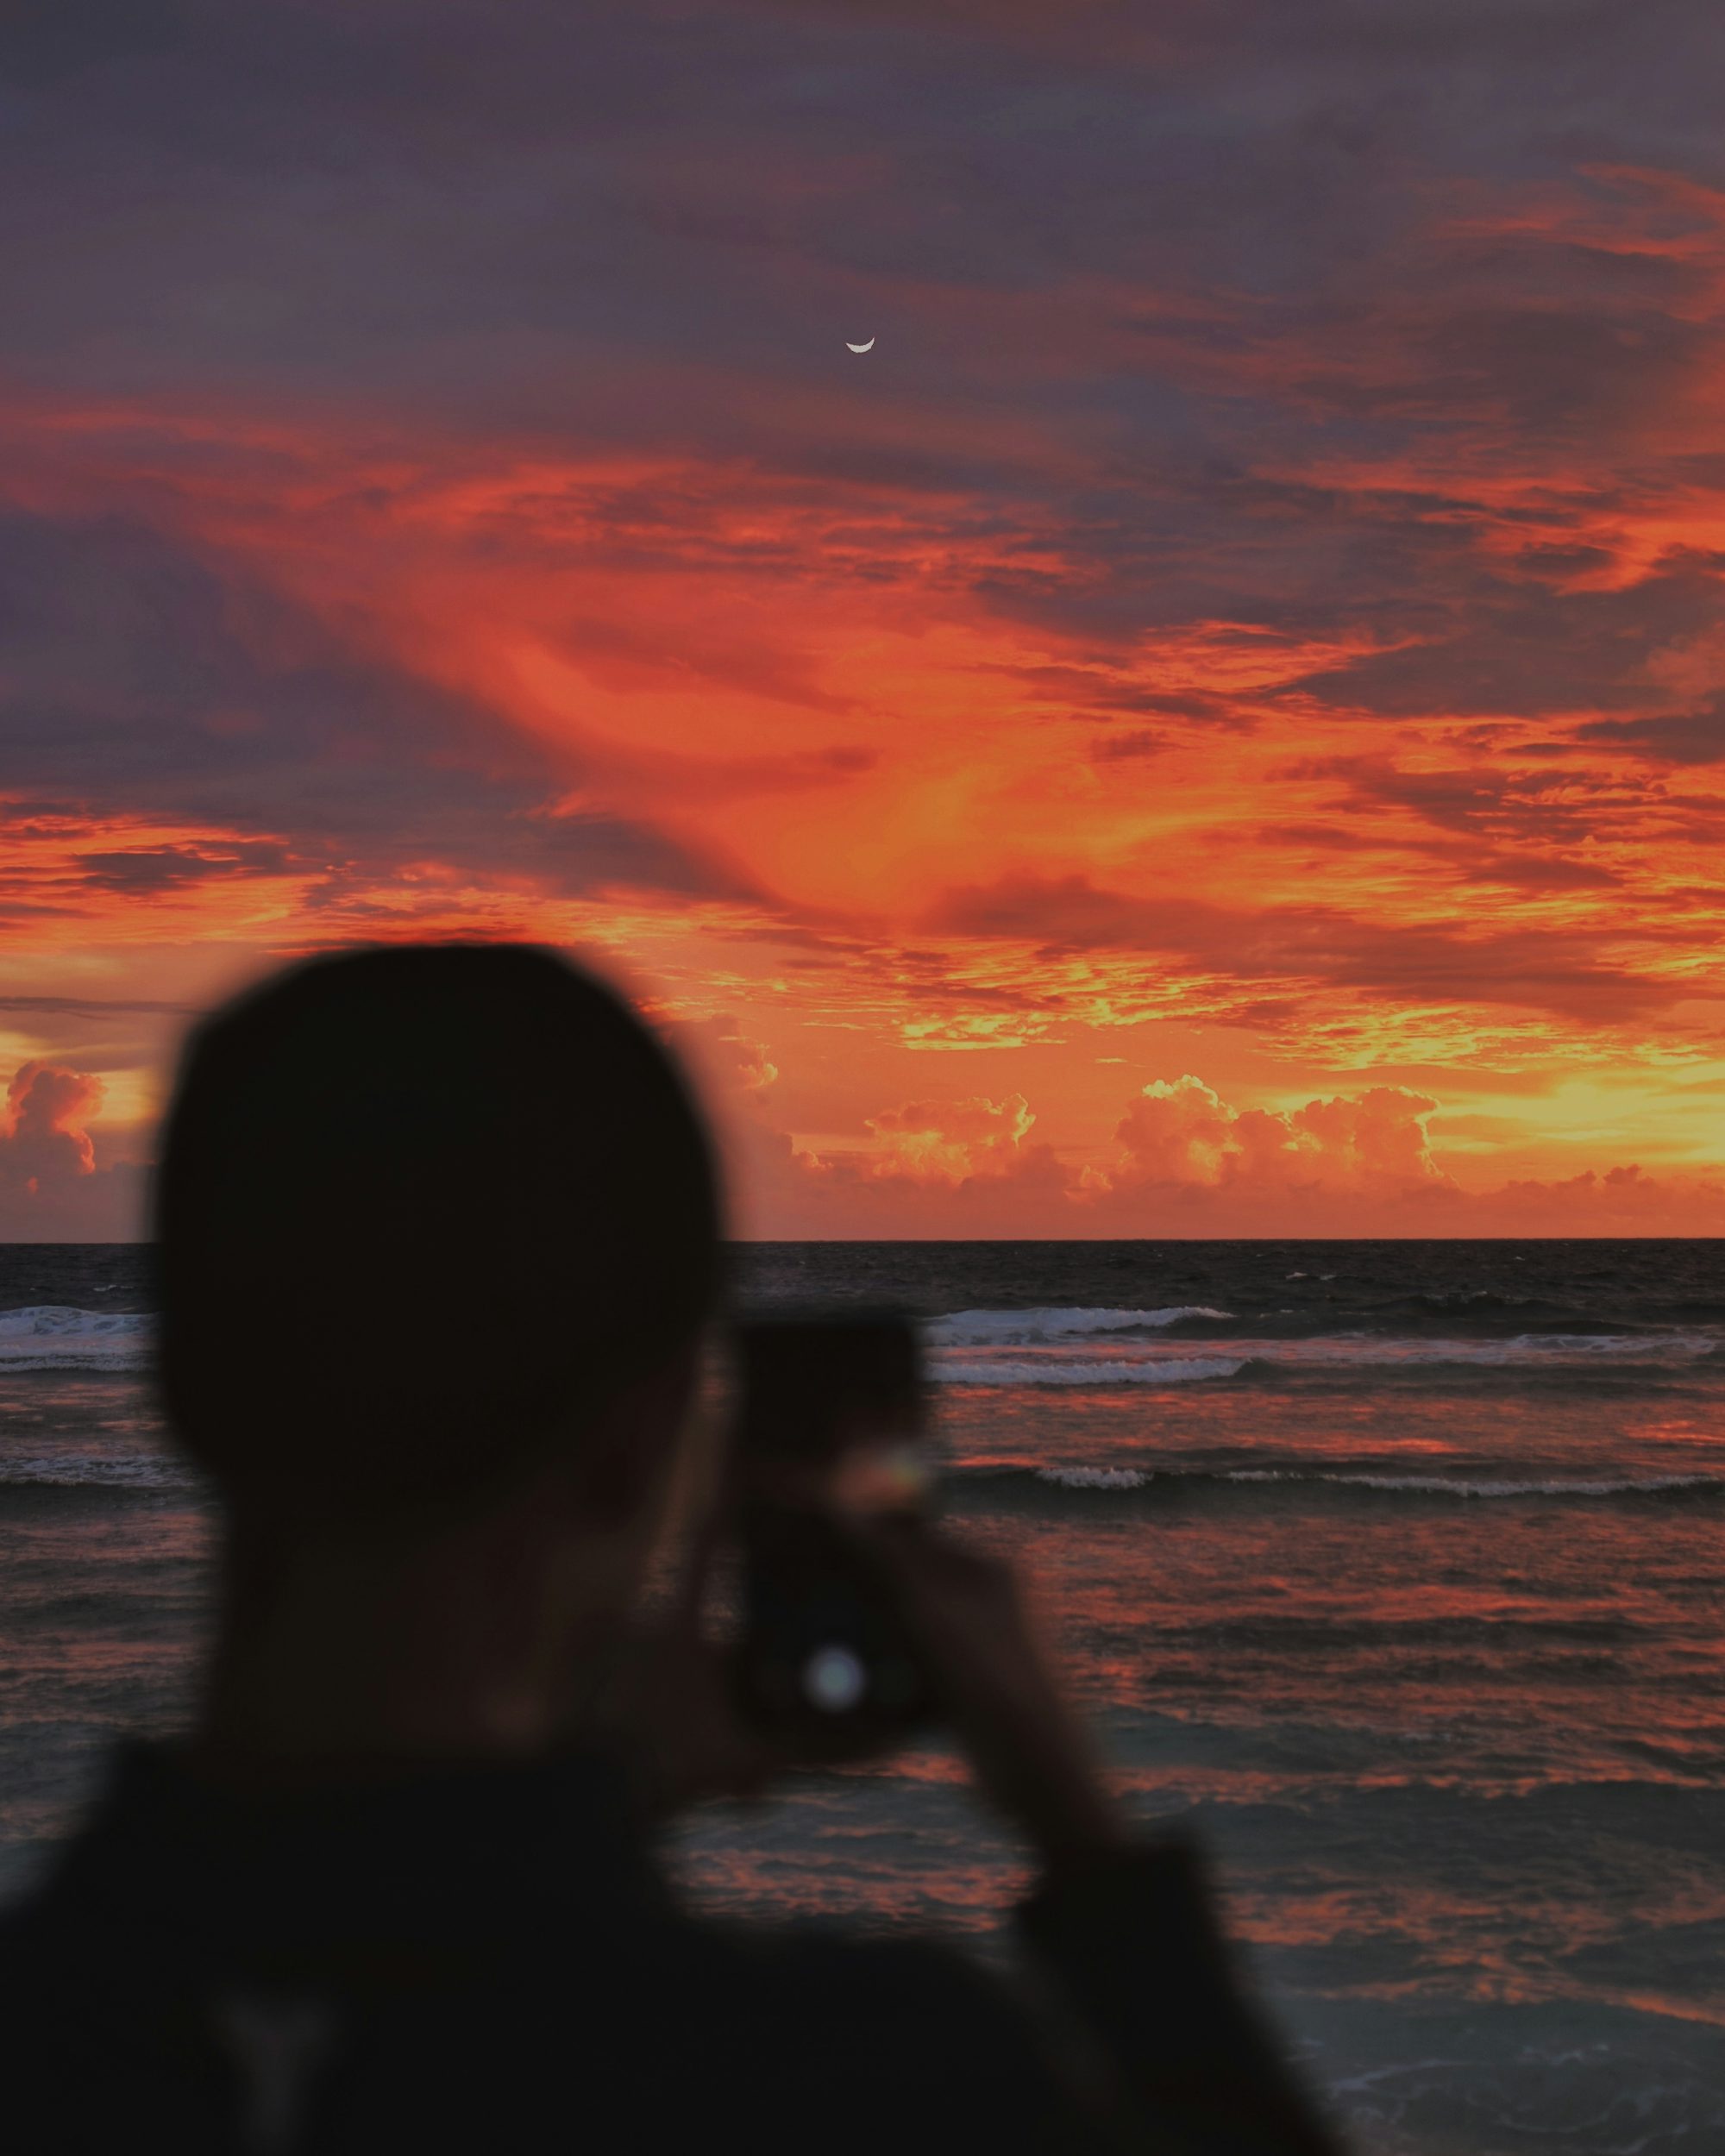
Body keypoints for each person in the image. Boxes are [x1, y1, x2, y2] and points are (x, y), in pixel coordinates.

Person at [0, 943, 1344, 2154]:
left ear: (176, 1388)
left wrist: (598, 1801)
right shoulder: (868, 2084)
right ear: (644, 1442)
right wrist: (1082, 1837)